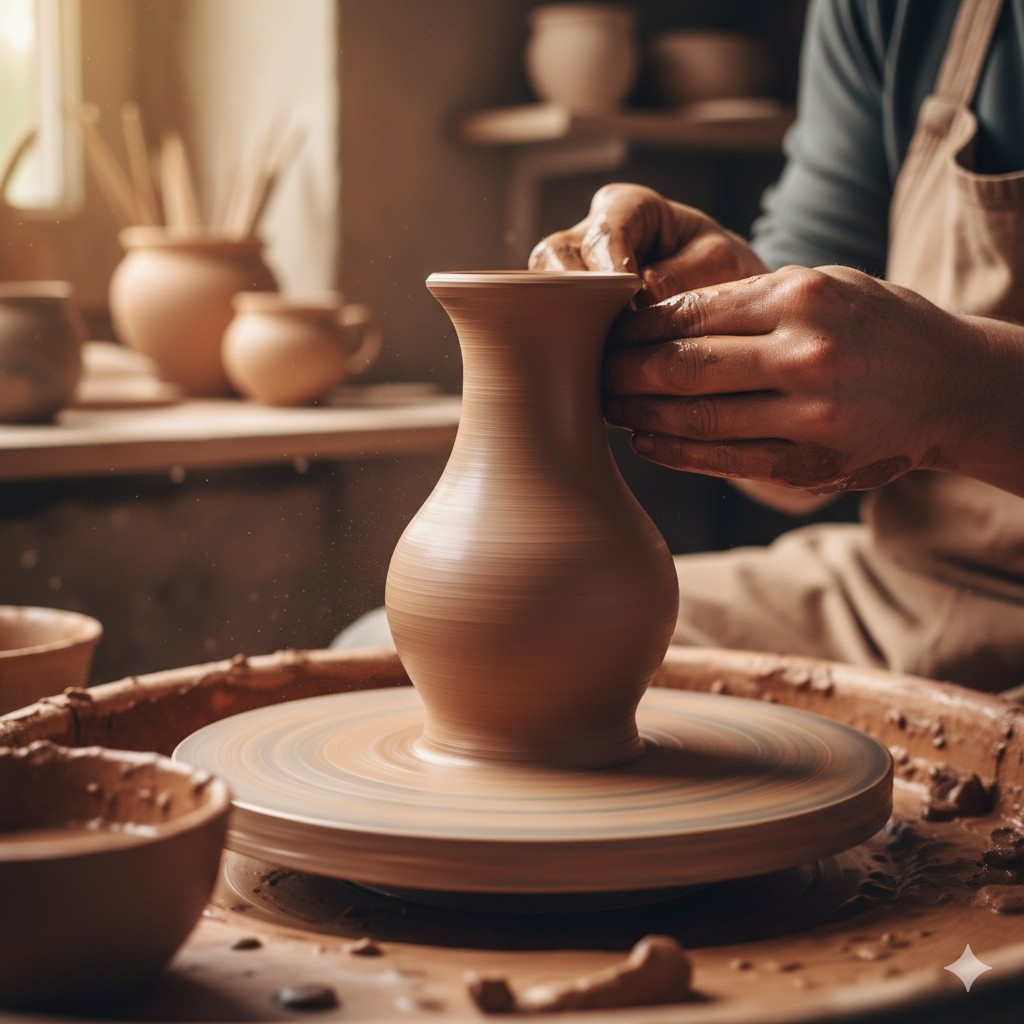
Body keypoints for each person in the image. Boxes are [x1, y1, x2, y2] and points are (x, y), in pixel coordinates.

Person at [339, 0, 1024, 692]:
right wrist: (720, 317)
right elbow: (794, 457)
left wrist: (961, 393)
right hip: (904, 591)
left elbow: (922, 383)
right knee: (382, 664)